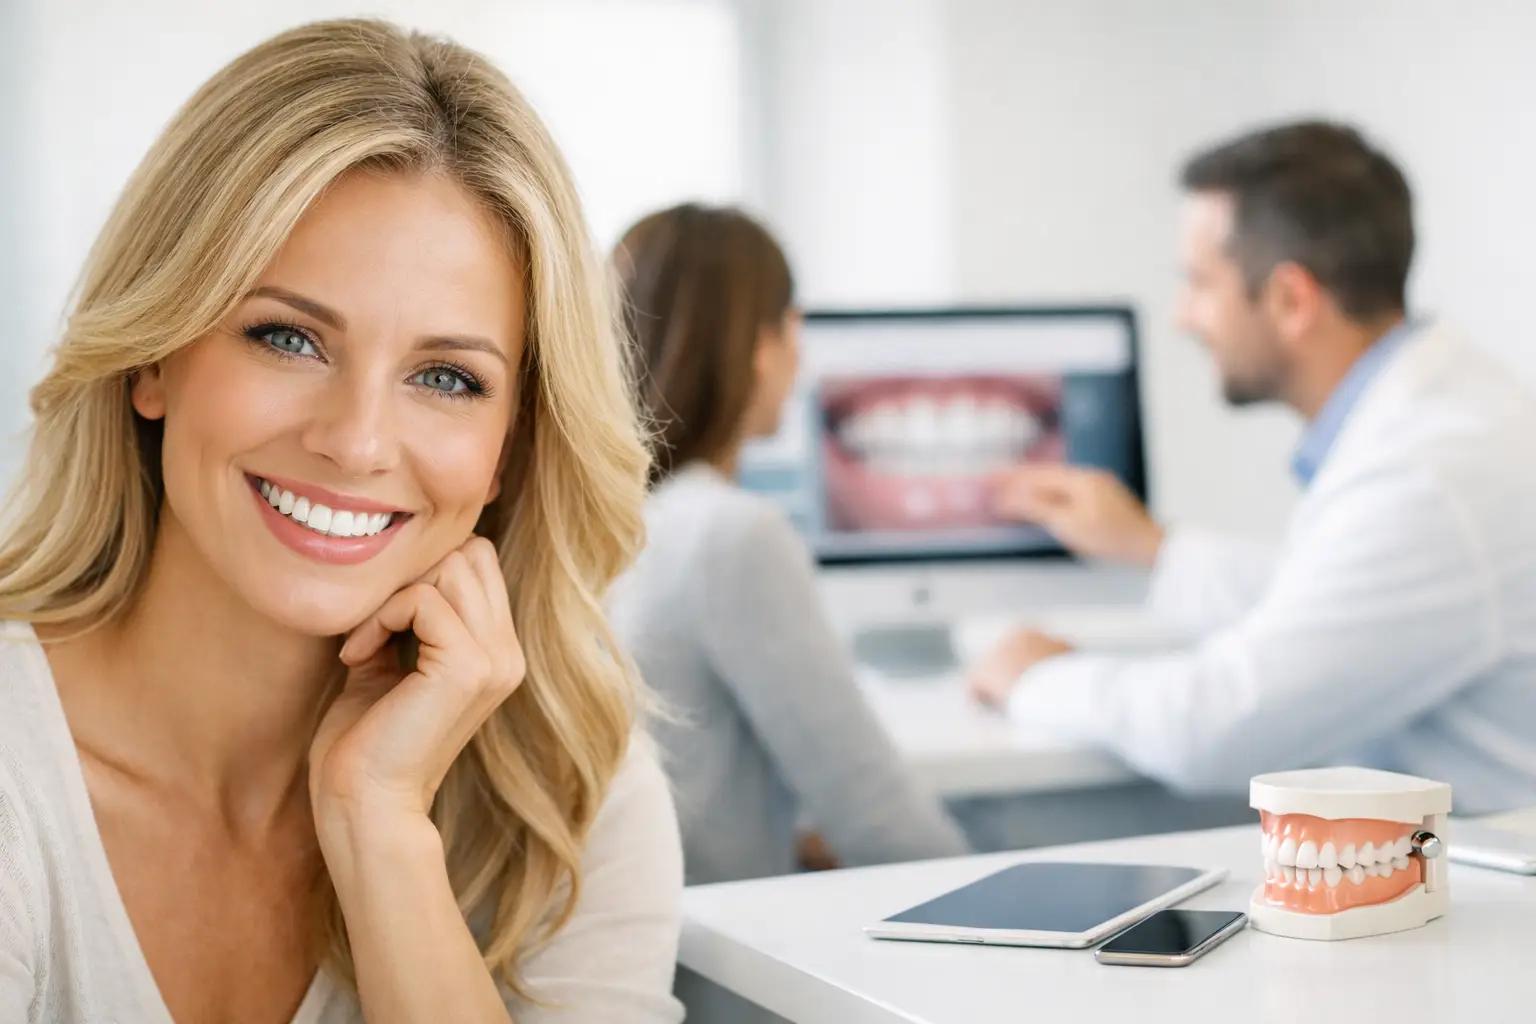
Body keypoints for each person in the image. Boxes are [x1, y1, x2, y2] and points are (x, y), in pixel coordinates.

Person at [0, 19, 684, 1023]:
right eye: (288, 337)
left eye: (446, 377)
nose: (358, 440)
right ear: (152, 357)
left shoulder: (572, 799)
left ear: (511, 447)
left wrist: (380, 827)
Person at [969, 121, 1536, 814]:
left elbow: (1216, 729)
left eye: (1200, 284)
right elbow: (1334, 601)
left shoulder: (1430, 476)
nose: (1183, 317)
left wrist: (1040, 677)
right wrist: (1154, 548)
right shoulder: (1443, 419)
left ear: (1292, 300)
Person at [608, 204, 969, 884]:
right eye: (791, 325)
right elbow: (877, 818)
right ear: (761, 346)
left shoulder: (610, 520)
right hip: (726, 958)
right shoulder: (730, 534)